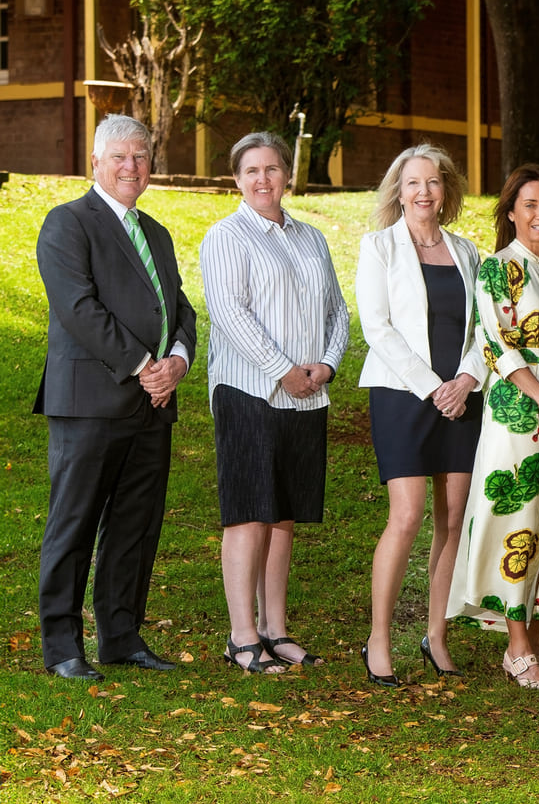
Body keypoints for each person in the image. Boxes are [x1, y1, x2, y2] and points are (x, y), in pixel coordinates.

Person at [34, 114, 196, 680]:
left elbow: (180, 310)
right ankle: (61, 647)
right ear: (96, 162)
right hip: (89, 402)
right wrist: (143, 364)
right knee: (73, 524)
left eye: (142, 156)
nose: (132, 166)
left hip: (153, 404)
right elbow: (78, 309)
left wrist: (177, 359)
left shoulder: (156, 233)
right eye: (121, 156)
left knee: (136, 525)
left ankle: (121, 637)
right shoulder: (68, 223)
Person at [200, 132, 350, 674]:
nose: (263, 179)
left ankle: (274, 629)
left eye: (272, 169)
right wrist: (282, 370)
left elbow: (339, 312)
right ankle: (241, 637)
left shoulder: (311, 238)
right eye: (251, 171)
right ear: (237, 179)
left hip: (307, 395)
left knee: (283, 515)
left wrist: (326, 365)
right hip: (249, 389)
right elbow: (229, 313)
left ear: (286, 174)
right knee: (248, 513)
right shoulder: (226, 237)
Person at [448, 164, 539, 690]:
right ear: (510, 211)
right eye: (530, 205)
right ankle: (516, 650)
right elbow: (496, 344)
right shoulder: (496, 268)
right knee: (519, 523)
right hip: (519, 413)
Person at [356, 145, 485, 686]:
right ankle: (379, 640)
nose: (423, 192)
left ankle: (436, 635)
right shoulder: (379, 247)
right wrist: (436, 388)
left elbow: (485, 328)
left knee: (453, 520)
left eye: (433, 182)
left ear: (446, 190)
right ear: (398, 190)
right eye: (413, 183)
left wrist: (468, 380)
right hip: (403, 396)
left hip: (462, 396)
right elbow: (377, 328)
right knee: (406, 517)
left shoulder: (467, 252)